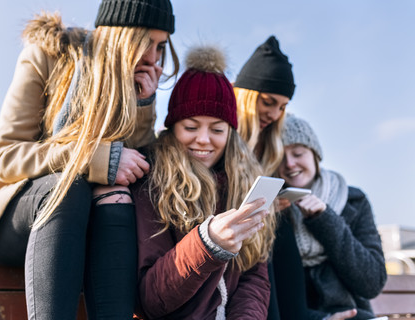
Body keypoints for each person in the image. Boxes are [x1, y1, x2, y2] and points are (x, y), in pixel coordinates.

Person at [0, 0, 179, 319]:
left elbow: (135, 169)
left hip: (87, 225)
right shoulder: (48, 55)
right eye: (144, 42)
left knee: (116, 194)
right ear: (119, 35)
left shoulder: (134, 81)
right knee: (69, 187)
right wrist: (93, 158)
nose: (152, 57)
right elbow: (8, 158)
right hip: (17, 211)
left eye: (160, 46)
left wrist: (143, 104)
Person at [130, 46, 276, 319]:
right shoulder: (151, 182)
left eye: (217, 129)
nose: (204, 140)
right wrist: (208, 244)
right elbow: (149, 300)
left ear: (230, 134)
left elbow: (254, 276)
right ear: (172, 127)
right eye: (191, 127)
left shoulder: (241, 184)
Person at [270, 113, 387, 320]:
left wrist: (325, 220)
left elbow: (372, 282)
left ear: (315, 154)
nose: (289, 164)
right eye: (280, 156)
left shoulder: (353, 201)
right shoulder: (272, 209)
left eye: (298, 153)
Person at [233, 35, 296, 175]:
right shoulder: (214, 137)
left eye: (282, 107)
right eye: (267, 102)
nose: (274, 115)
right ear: (246, 98)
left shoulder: (274, 146)